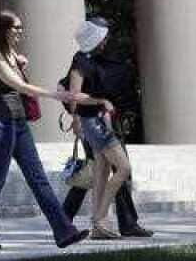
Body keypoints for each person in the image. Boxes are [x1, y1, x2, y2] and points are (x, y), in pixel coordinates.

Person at [0, 11, 86, 251]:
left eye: (21, 27)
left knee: (39, 179)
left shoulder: (13, 56)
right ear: (4, 30)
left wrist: (22, 64)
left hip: (19, 125)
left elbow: (19, 81)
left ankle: (64, 232)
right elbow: (18, 85)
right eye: (16, 28)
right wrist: (55, 95)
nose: (21, 31)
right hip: (0, 126)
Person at [64, 18, 151, 239]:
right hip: (93, 122)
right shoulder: (81, 60)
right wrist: (100, 101)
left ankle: (99, 227)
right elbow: (74, 96)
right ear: (96, 37)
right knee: (123, 168)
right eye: (104, 36)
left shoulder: (92, 59)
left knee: (101, 174)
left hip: (99, 121)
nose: (106, 40)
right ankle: (99, 219)